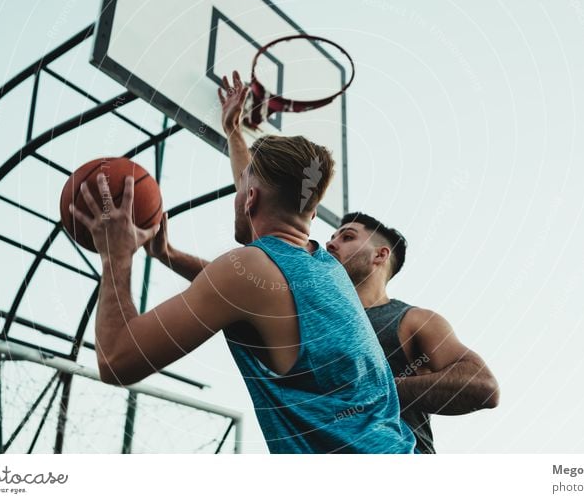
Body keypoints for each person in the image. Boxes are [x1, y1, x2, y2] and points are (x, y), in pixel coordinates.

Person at [70, 75, 416, 454]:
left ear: (249, 200)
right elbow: (254, 203)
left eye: (241, 191)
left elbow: (117, 362)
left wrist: (116, 256)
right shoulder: (324, 266)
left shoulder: (245, 272)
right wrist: (233, 131)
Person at [326, 213, 500, 454]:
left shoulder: (411, 320)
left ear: (380, 255)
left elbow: (482, 386)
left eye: (347, 237)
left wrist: (378, 391)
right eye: (332, 237)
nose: (331, 244)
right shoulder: (319, 322)